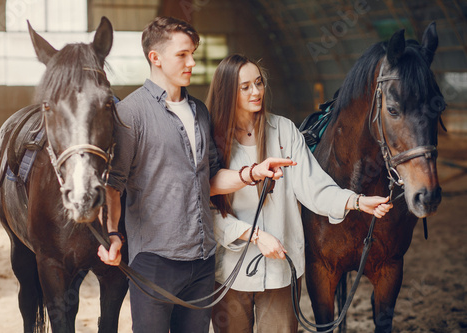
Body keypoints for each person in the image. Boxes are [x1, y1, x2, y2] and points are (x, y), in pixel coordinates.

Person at [96, 18, 294, 333]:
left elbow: (211, 180)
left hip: (202, 264)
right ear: (155, 58)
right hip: (155, 261)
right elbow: (113, 187)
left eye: (194, 54)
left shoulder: (200, 111)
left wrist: (252, 172)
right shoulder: (130, 114)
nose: (192, 62)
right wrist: (114, 235)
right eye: (183, 55)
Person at [206, 54, 393, 333]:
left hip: (283, 270)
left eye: (258, 83)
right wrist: (255, 235)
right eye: (245, 87)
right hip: (230, 272)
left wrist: (356, 201)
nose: (256, 92)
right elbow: (206, 212)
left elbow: (314, 187)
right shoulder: (211, 138)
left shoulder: (283, 130)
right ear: (227, 91)